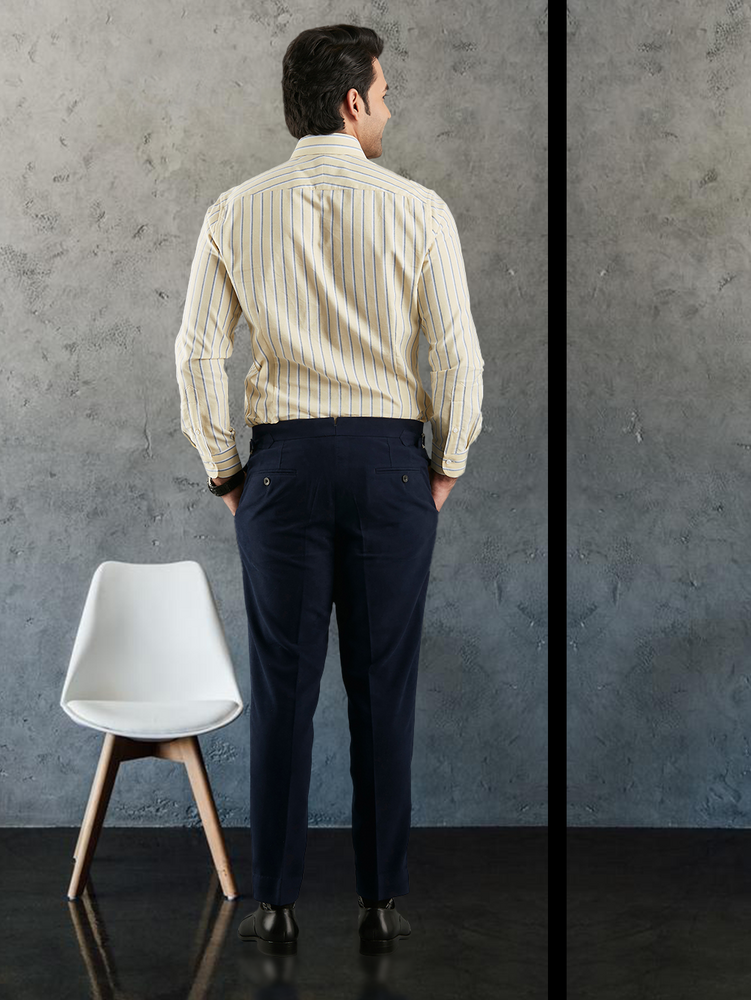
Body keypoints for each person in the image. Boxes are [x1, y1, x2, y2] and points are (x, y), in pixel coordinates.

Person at [174, 23, 485, 955]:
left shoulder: (235, 209)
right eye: (383, 92)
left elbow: (196, 357)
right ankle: (380, 902)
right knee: (383, 688)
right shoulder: (419, 209)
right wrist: (446, 464)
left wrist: (226, 470)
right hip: (392, 465)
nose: (389, 105)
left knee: (283, 688)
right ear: (351, 103)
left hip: (283, 469)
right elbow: (459, 360)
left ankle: (273, 902)